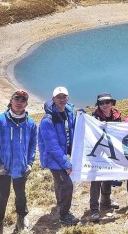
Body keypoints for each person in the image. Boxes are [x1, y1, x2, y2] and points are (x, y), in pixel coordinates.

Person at [0, 90, 37, 234]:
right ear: (11, 100)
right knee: (1, 197)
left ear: (26, 104)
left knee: (21, 195)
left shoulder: (31, 123)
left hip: (21, 168)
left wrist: (30, 163)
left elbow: (33, 144)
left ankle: (21, 219)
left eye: (23, 100)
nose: (19, 102)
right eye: (17, 99)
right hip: (3, 169)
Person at [38, 86, 79, 226]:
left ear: (68, 98)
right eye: (58, 97)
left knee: (59, 183)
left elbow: (73, 126)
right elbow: (52, 147)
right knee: (66, 185)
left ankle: (60, 203)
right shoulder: (48, 120)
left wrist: (82, 115)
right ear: (53, 99)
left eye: (64, 97)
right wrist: (66, 164)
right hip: (53, 157)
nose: (61, 100)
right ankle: (64, 215)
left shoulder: (69, 113)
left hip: (63, 153)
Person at [89, 92, 121, 223]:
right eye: (101, 103)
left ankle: (106, 201)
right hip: (97, 152)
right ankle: (94, 209)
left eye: (107, 102)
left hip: (111, 151)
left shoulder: (117, 116)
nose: (104, 105)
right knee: (96, 180)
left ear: (112, 103)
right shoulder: (93, 118)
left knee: (108, 175)